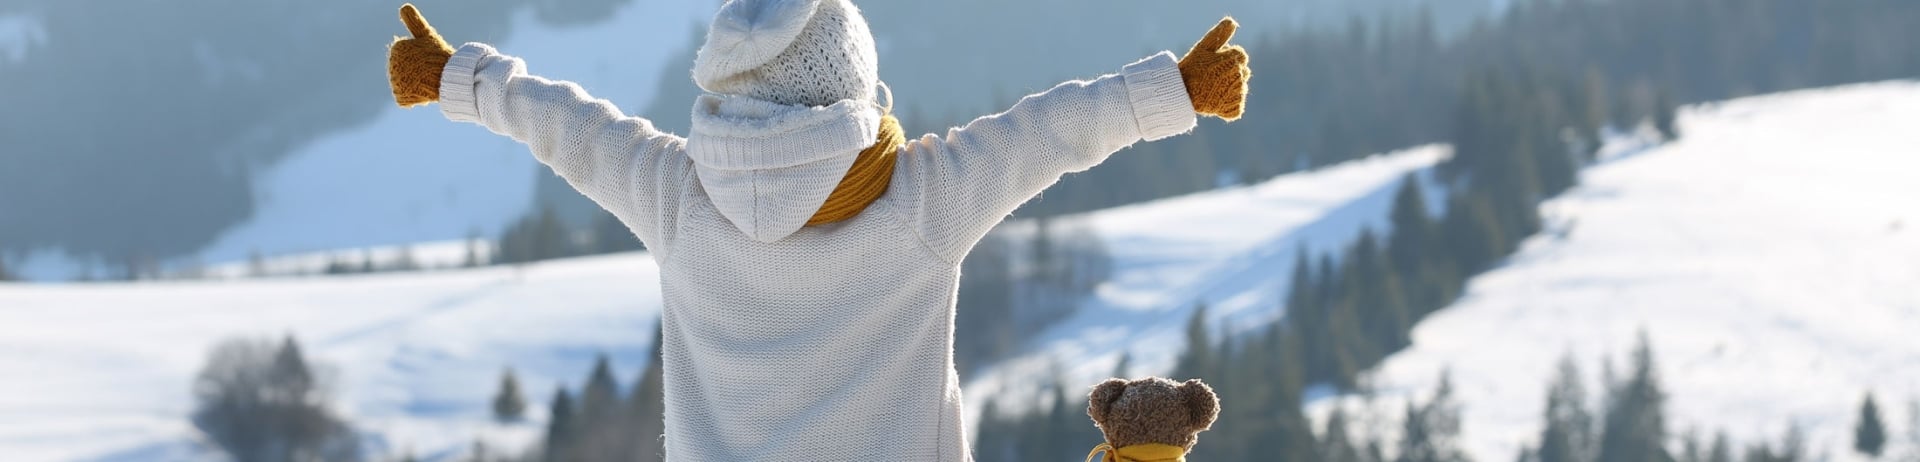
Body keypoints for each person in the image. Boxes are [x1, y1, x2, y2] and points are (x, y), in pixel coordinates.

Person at [386, 1, 1249, 459]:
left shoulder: (675, 195)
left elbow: (567, 126)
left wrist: (456, 77)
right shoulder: (922, 199)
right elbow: (1052, 130)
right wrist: (1174, 90)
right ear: (855, 88)